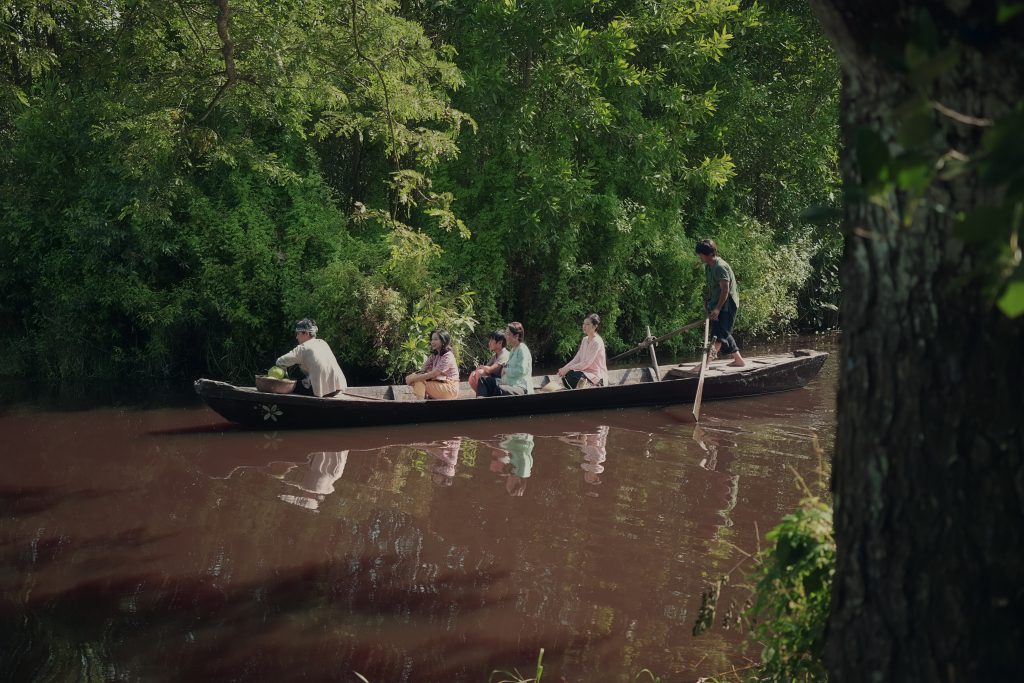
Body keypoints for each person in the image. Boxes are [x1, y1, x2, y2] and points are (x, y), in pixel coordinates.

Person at [695, 239, 746, 367]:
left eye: (701, 254)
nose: (699, 257)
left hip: (728, 304)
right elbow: (713, 287)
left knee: (718, 335)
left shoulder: (720, 267)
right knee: (723, 331)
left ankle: (706, 364)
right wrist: (708, 302)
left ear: (710, 254)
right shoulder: (708, 266)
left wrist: (717, 309)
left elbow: (725, 290)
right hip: (717, 302)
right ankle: (739, 360)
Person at [276, 318, 348, 397]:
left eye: (298, 333)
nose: (296, 337)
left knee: (291, 385)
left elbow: (280, 361)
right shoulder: (322, 343)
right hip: (339, 387)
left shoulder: (303, 348)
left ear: (306, 333)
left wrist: (284, 375)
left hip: (322, 391)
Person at [476, 322, 533, 397]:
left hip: (520, 387)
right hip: (508, 384)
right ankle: (478, 405)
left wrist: (505, 369)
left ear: (516, 336)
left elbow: (521, 371)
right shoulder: (513, 349)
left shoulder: (522, 349)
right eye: (506, 333)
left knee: (498, 389)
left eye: (508, 334)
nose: (505, 336)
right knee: (483, 380)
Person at [557, 313, 609, 389]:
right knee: (567, 375)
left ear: (595, 326)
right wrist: (564, 369)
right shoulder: (585, 340)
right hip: (584, 372)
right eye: (583, 324)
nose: (584, 326)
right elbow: (577, 359)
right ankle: (581, 385)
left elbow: (586, 363)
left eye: (587, 324)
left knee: (572, 375)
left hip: (596, 375)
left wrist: (568, 368)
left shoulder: (597, 341)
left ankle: (594, 385)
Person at [405, 329, 460, 399]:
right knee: (415, 378)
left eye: (435, 339)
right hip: (439, 384)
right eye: (432, 339)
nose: (432, 342)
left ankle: (419, 403)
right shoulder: (434, 355)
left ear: (443, 341)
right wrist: (411, 377)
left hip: (450, 388)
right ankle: (422, 399)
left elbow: (433, 374)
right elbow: (423, 370)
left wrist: (413, 379)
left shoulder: (448, 356)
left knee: (419, 381)